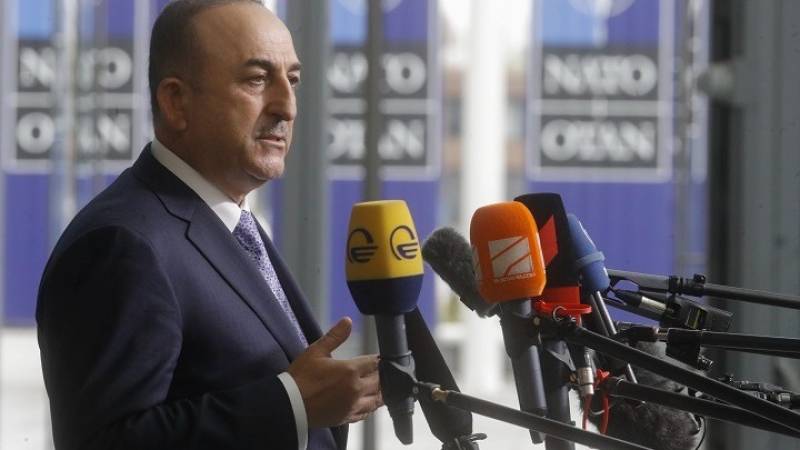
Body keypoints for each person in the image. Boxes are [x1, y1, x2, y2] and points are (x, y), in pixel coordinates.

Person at [36, 1, 382, 449]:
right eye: (257, 79)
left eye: (292, 80)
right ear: (176, 101)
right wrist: (291, 404)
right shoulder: (121, 244)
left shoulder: (232, 222)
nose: (287, 106)